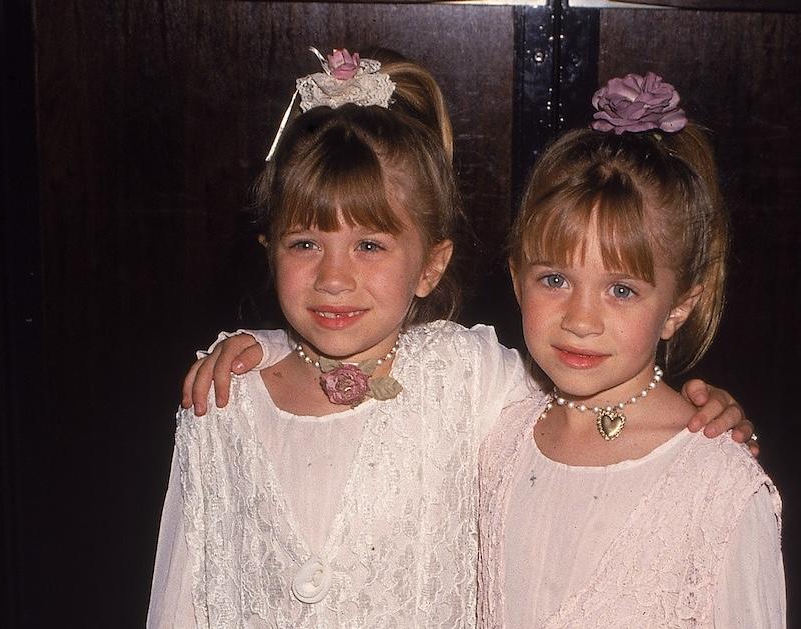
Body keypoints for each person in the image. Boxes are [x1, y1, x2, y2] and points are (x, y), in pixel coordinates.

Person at [149, 49, 752, 627]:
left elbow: (588, 385)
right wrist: (269, 343)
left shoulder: (463, 373)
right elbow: (181, 593)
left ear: (431, 267)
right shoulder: (223, 400)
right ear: (270, 253)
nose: (333, 279)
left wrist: (693, 407)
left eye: (369, 245)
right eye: (305, 244)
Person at [477, 73, 784, 627]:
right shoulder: (493, 429)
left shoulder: (717, 486)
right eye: (554, 280)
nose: (580, 319)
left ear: (678, 308)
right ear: (517, 279)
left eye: (621, 290)